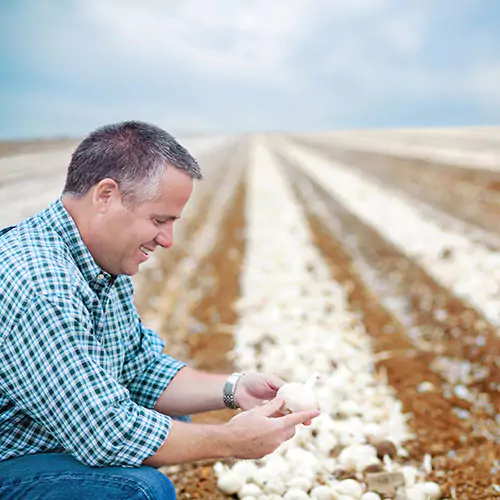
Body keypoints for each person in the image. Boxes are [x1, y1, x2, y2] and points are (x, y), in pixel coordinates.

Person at [0, 121, 320, 499]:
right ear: (106, 195)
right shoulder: (39, 283)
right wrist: (230, 439)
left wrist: (235, 389)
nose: (167, 240)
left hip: (44, 433)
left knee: (166, 421)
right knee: (140, 491)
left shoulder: (98, 262)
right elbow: (104, 431)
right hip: (10, 455)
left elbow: (141, 370)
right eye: (159, 220)